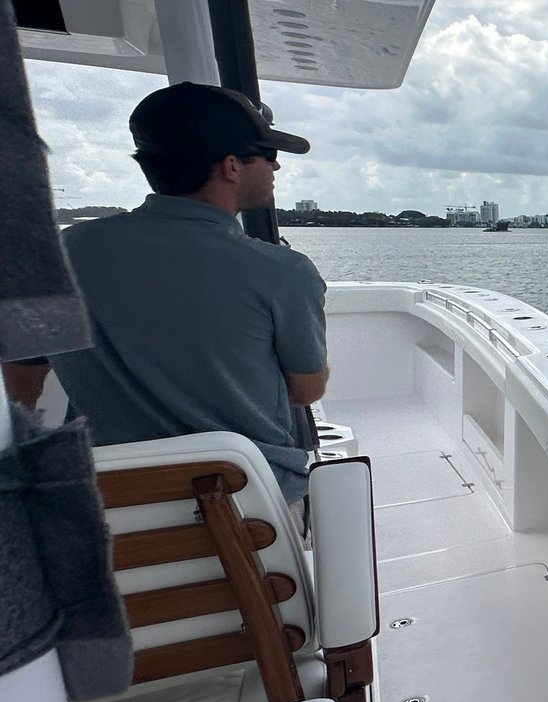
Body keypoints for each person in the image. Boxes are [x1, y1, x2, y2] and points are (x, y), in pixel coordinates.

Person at [26, 82, 328, 503]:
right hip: (248, 503)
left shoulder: (62, 251)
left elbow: (24, 371)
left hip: (109, 502)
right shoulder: (284, 271)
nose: (275, 168)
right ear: (231, 166)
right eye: (269, 154)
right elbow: (306, 390)